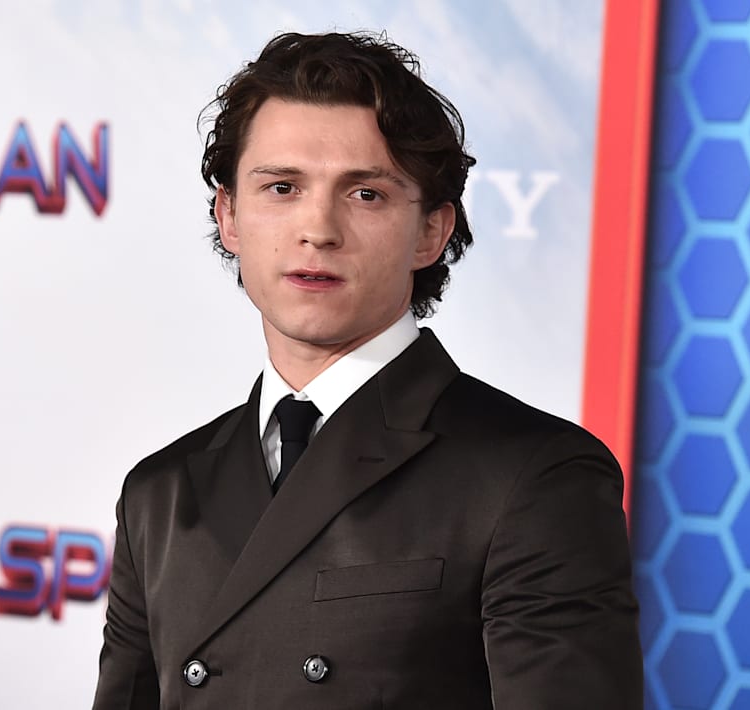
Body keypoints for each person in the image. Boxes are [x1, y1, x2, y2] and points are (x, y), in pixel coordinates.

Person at [92, 31, 640, 709]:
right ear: (229, 216)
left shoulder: (535, 476)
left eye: (366, 195)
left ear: (432, 230)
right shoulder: (160, 493)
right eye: (282, 187)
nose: (318, 229)